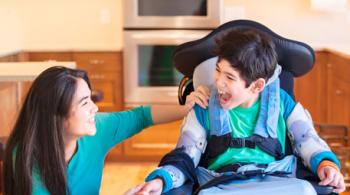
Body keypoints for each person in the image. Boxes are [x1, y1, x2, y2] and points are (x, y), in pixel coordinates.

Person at [129, 29, 345, 194]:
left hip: (279, 184)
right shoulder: (205, 106)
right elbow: (185, 156)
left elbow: (307, 140)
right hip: (223, 187)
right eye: (218, 70)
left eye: (230, 77)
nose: (219, 83)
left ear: (257, 86)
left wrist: (326, 165)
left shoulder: (281, 103)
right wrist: (160, 181)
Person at [3, 66, 210, 195]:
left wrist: (187, 106)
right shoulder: (26, 158)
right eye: (85, 103)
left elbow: (141, 116)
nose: (95, 107)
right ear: (56, 115)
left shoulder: (97, 130)